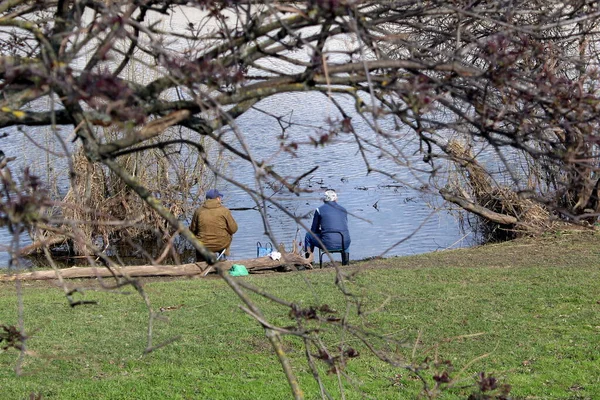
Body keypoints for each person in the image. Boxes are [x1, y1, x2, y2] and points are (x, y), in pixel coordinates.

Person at [190, 188, 238, 261]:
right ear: (218, 199)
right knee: (229, 233)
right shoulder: (224, 211)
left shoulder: (198, 211)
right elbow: (234, 229)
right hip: (221, 244)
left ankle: (200, 262)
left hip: (203, 245)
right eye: (220, 198)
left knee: (197, 238)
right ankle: (224, 258)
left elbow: (192, 230)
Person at [304, 189, 351, 257]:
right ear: (336, 199)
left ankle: (308, 263)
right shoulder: (343, 209)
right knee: (344, 237)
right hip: (345, 243)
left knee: (308, 236)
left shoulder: (319, 210)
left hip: (327, 244)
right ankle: (346, 262)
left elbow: (314, 230)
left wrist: (322, 231)